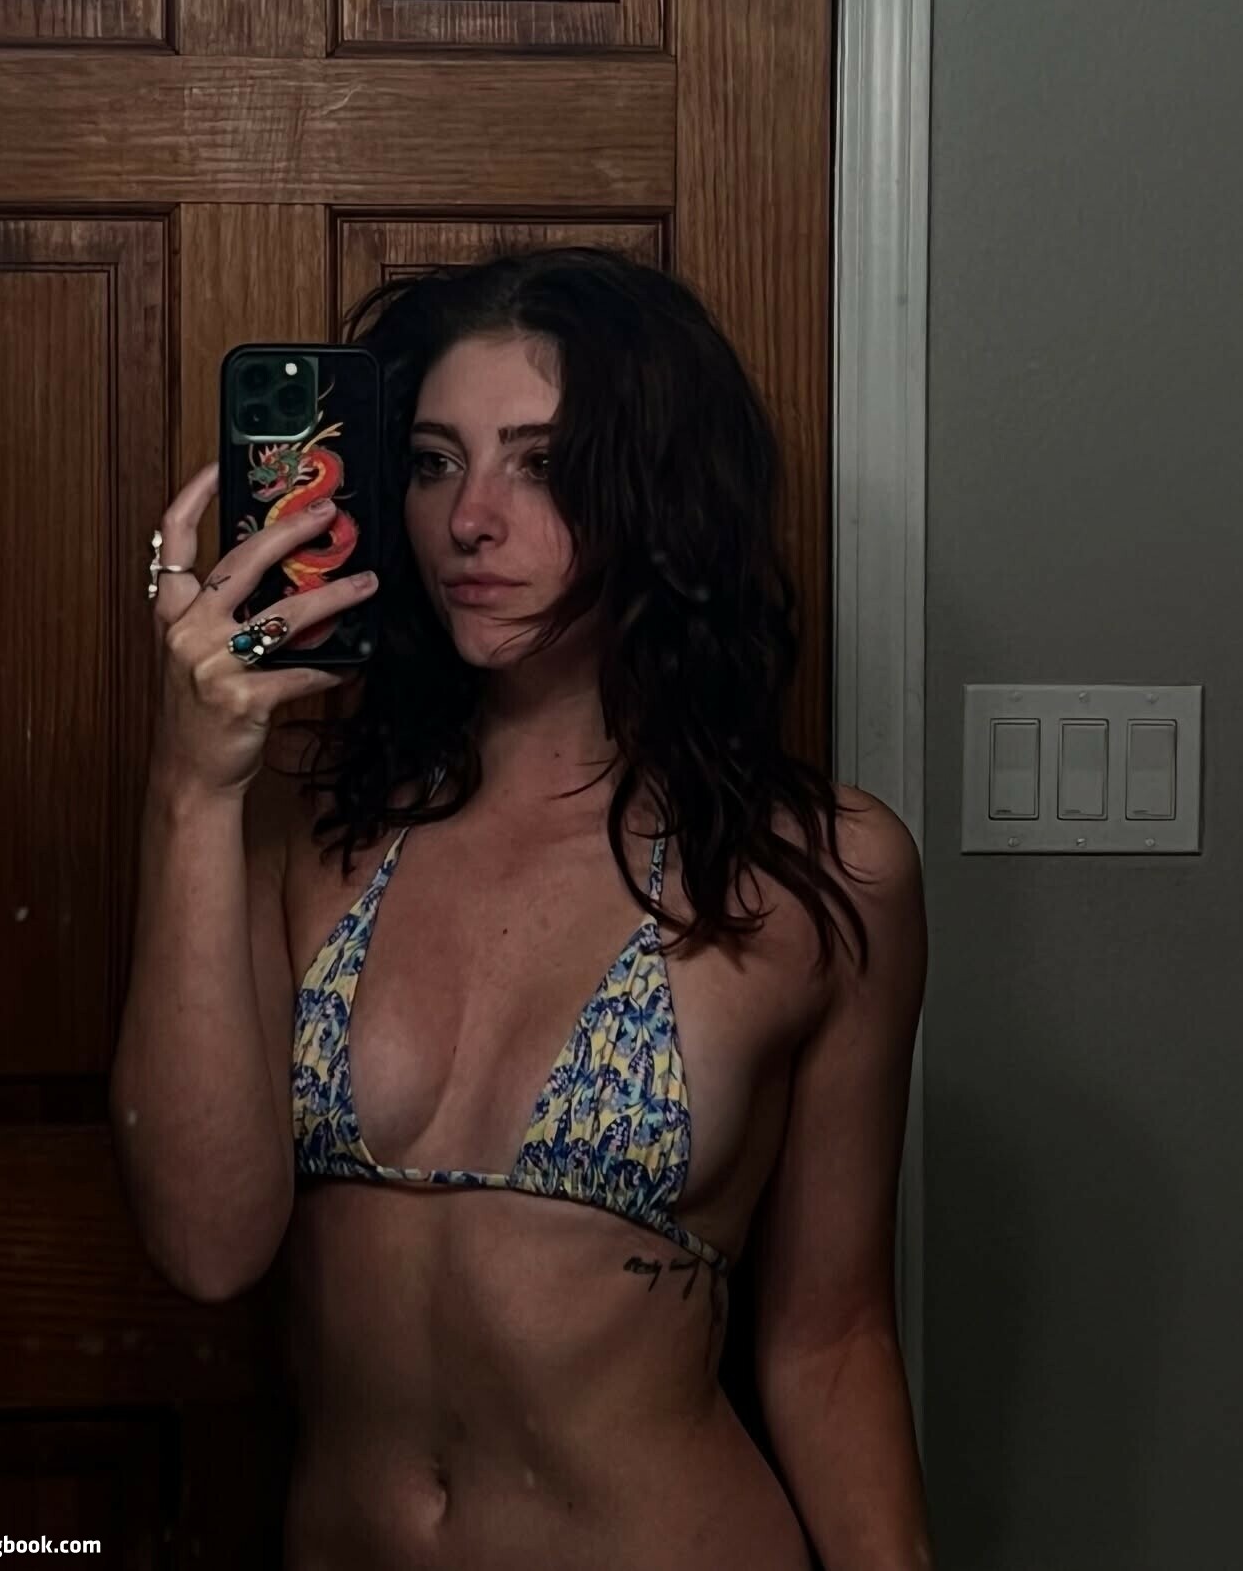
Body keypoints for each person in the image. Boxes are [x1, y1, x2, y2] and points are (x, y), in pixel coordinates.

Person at [111, 246, 932, 1570]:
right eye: (434, 462)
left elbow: (830, 1341)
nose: (470, 519)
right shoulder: (306, 829)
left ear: (661, 494)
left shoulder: (814, 872)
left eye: (542, 463)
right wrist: (190, 787)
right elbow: (207, 1246)